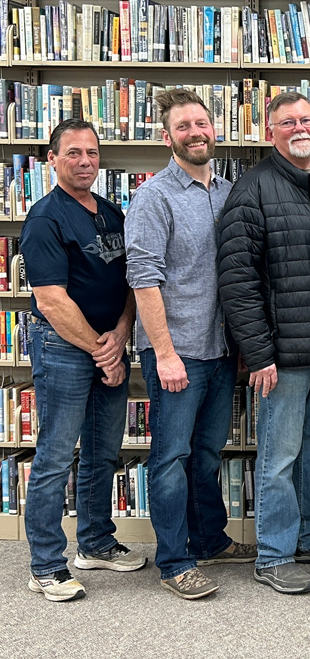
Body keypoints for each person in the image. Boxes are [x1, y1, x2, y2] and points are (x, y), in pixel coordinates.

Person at [217, 91, 310, 595]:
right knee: (279, 453)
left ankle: (308, 534)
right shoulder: (252, 189)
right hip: (284, 350)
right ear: (269, 131)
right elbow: (238, 282)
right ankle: (275, 554)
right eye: (286, 122)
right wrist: (259, 353)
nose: (298, 128)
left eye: (306, 119)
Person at [126, 89, 257, 600]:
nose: (196, 132)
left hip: (221, 350)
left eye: (201, 123)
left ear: (214, 128)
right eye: (183, 126)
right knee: (170, 457)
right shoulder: (153, 197)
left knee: (206, 454)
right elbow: (144, 279)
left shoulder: (228, 192)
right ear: (167, 136)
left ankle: (208, 539)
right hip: (176, 351)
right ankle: (175, 560)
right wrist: (163, 352)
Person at [20, 119, 147, 602]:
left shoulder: (112, 212)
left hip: (108, 343)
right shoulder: (44, 218)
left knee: (102, 453)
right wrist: (104, 352)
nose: (84, 161)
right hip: (63, 348)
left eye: (91, 153)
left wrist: (120, 334)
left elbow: (134, 281)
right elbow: (51, 300)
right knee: (54, 458)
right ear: (51, 159)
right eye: (72, 153)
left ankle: (95, 543)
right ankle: (46, 565)